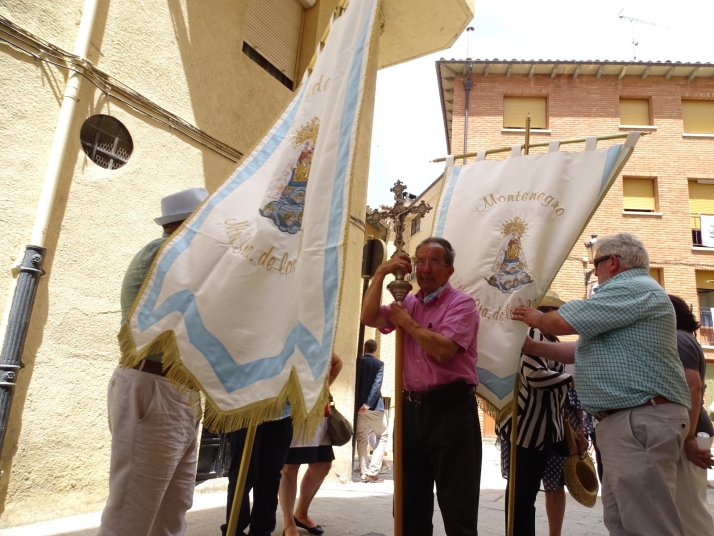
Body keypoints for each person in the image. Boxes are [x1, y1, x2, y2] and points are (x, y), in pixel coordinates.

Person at [512, 232, 692, 536]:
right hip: (628, 421)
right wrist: (533, 347)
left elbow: (563, 322)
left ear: (613, 261)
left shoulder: (631, 286)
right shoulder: (632, 296)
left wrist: (535, 317)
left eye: (596, 265)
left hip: (639, 418)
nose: (594, 272)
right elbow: (580, 349)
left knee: (648, 524)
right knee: (623, 520)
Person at [98, 187, 209, 536]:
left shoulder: (179, 254)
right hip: (157, 387)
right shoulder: (165, 253)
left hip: (174, 390)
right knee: (132, 514)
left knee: (171, 511)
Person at [360, 237, 481, 536]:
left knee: (458, 511)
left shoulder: (461, 303)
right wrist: (380, 273)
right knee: (408, 507)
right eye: (420, 261)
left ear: (449, 269)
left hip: (451, 412)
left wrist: (406, 322)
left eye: (434, 262)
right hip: (410, 411)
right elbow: (368, 316)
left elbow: (443, 351)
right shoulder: (407, 301)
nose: (425, 269)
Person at [497, 291, 572, 536]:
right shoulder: (532, 334)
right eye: (556, 313)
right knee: (522, 496)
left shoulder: (551, 341)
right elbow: (534, 376)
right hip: (527, 431)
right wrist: (573, 380)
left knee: (530, 492)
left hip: (546, 431)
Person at [279, 353, 343, 536]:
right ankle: (288, 523)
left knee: (322, 464)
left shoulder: (317, 338)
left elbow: (337, 362)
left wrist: (325, 386)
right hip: (291, 408)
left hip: (318, 410)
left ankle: (301, 513)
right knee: (289, 467)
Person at [668, 294, 714, 535]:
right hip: (693, 425)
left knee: (689, 507)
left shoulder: (676, 339)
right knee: (689, 502)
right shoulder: (686, 338)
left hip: (691, 427)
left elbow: (693, 386)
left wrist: (690, 437)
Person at [356, 339, 388, 483]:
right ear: (375, 350)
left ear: (365, 348)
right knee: (383, 435)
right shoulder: (379, 364)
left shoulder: (358, 361)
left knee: (362, 439)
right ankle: (373, 471)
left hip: (358, 408)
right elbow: (376, 385)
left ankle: (364, 472)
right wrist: (368, 404)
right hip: (374, 407)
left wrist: (360, 405)